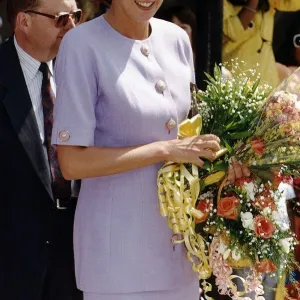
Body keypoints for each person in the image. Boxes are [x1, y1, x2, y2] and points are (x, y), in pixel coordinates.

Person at [0, 0, 83, 299]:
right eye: (62, 19)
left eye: (76, 16)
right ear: (24, 21)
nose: (73, 27)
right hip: (13, 262)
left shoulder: (81, 70)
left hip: (76, 255)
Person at [223, 0, 300, 88]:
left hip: (266, 84)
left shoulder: (269, 2)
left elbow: (294, 3)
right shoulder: (221, 4)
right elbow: (232, 32)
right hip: (235, 83)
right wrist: (253, 3)